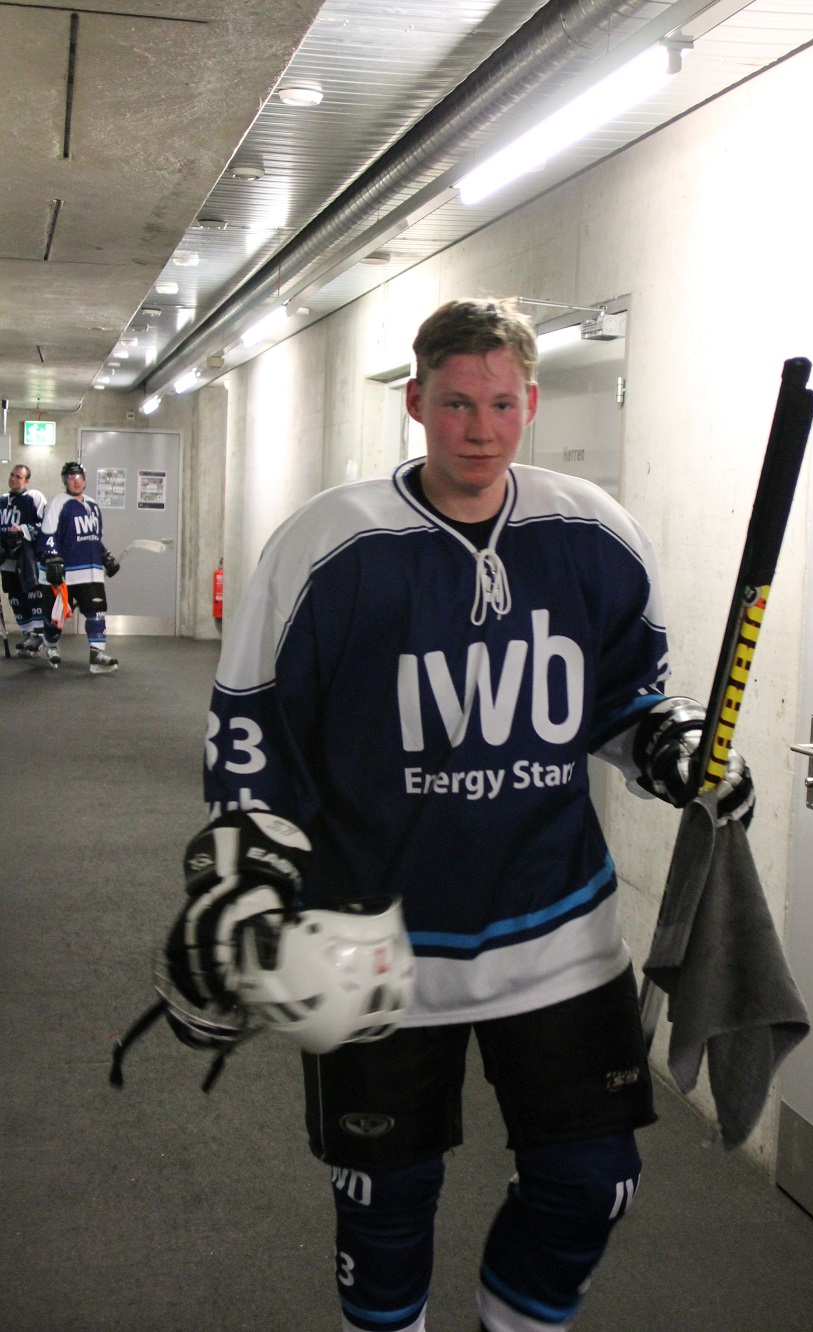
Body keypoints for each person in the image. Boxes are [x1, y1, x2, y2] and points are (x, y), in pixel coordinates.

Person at [165, 298, 754, 1332]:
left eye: (500, 405)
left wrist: (674, 746)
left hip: (559, 929)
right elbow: (255, 727)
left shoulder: (595, 534)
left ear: (531, 402)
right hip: (372, 939)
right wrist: (239, 877)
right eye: (455, 405)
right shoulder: (329, 545)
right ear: (415, 403)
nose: (479, 430)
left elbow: (625, 699)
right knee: (385, 1204)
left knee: (594, 1183)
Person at [38, 461, 120, 673]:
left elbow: (94, 537)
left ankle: (97, 653)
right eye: (70, 478)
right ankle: (50, 646)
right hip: (65, 573)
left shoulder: (92, 505)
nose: (75, 482)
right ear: (64, 481)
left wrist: (105, 556)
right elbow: (48, 535)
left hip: (90, 572)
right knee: (56, 616)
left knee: (97, 612)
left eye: (79, 477)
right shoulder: (57, 503)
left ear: (84, 480)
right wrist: (52, 558)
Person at [0, 463, 47, 655]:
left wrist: (23, 529)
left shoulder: (34, 497)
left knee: (32, 593)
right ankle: (27, 634)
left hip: (27, 557)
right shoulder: (2, 500)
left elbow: (46, 525)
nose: (13, 479)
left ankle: (38, 635)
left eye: (18, 476)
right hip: (8, 556)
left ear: (27, 480)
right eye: (12, 475)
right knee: (15, 597)